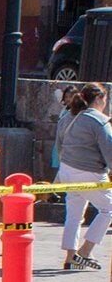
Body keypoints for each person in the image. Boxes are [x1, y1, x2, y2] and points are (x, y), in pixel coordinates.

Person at [56, 83, 112, 271]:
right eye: (105, 99)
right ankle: (85, 252)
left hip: (67, 170)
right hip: (90, 172)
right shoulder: (99, 121)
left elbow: (59, 145)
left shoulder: (68, 117)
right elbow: (110, 152)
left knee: (74, 214)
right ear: (99, 98)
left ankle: (70, 257)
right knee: (109, 209)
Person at [51, 84, 80, 178]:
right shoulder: (65, 110)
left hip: (68, 148)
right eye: (66, 97)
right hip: (59, 146)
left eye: (71, 96)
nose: (68, 99)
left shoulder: (77, 112)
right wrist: (56, 87)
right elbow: (58, 95)